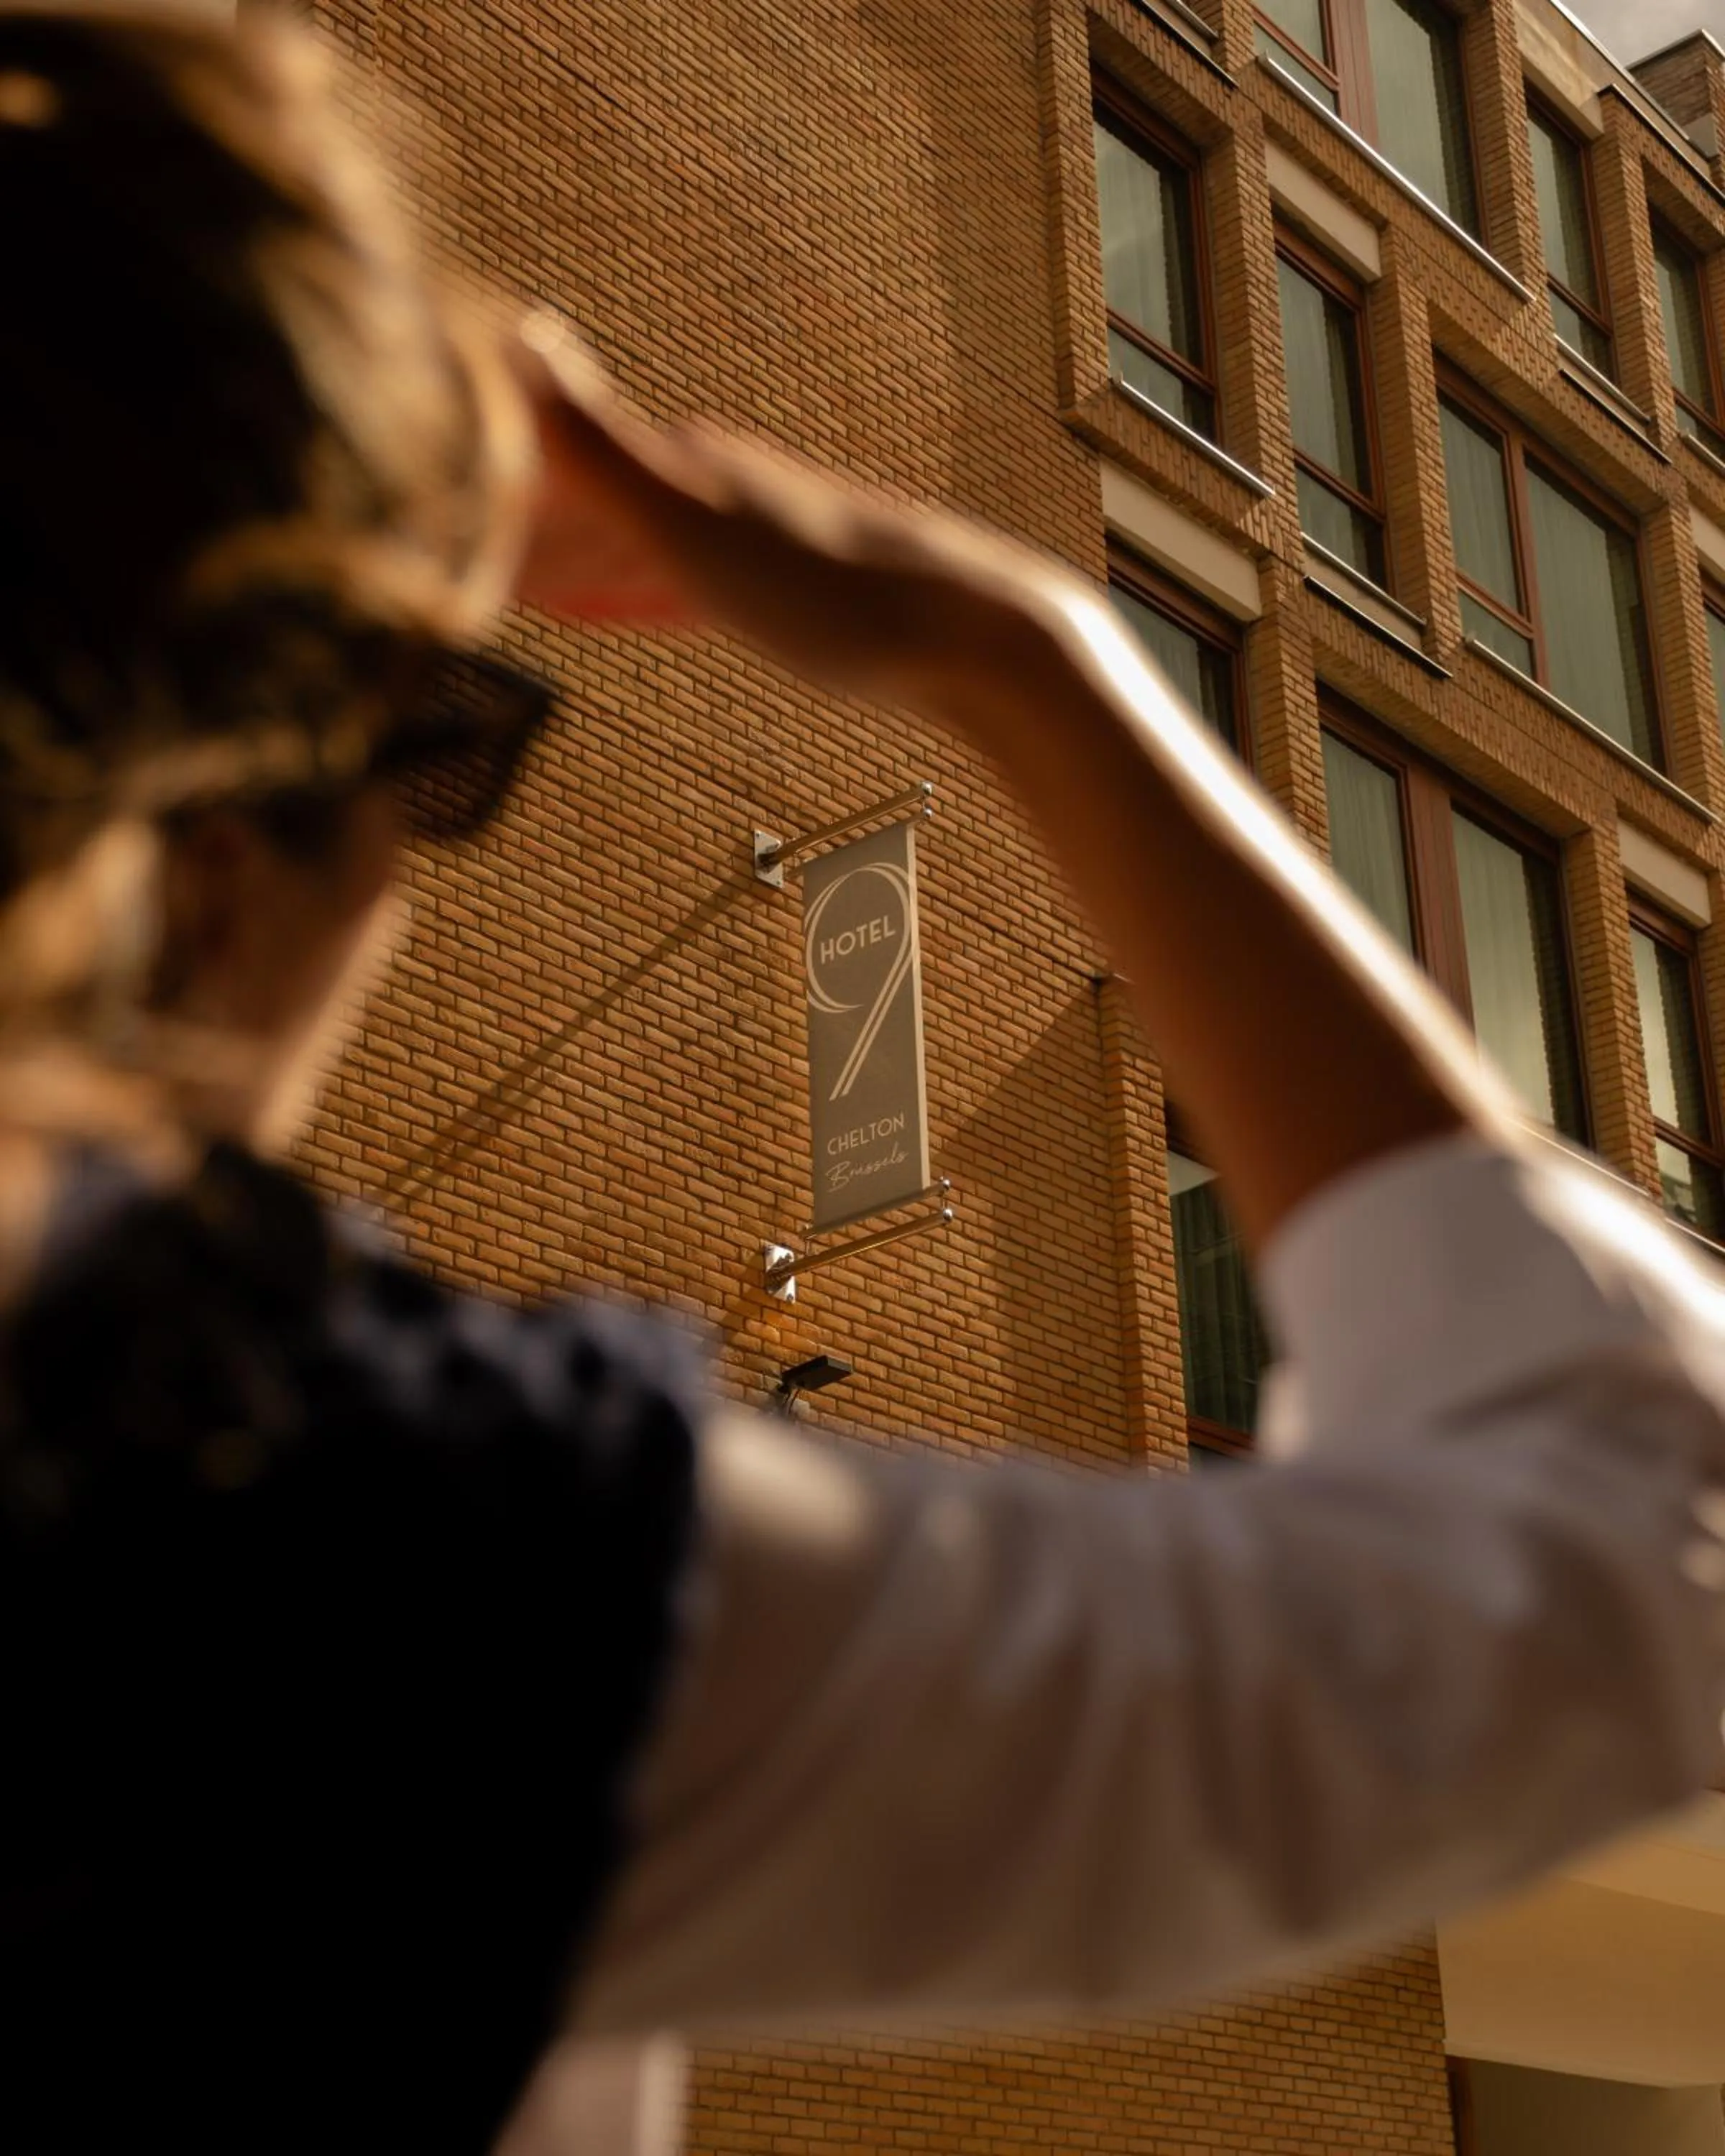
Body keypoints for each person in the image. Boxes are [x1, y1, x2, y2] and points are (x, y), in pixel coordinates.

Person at [1, 6, 1723, 2152]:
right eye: (443, 738)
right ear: (221, 815)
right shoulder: (315, 1538)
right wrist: (1024, 649)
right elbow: (1646, 1554)